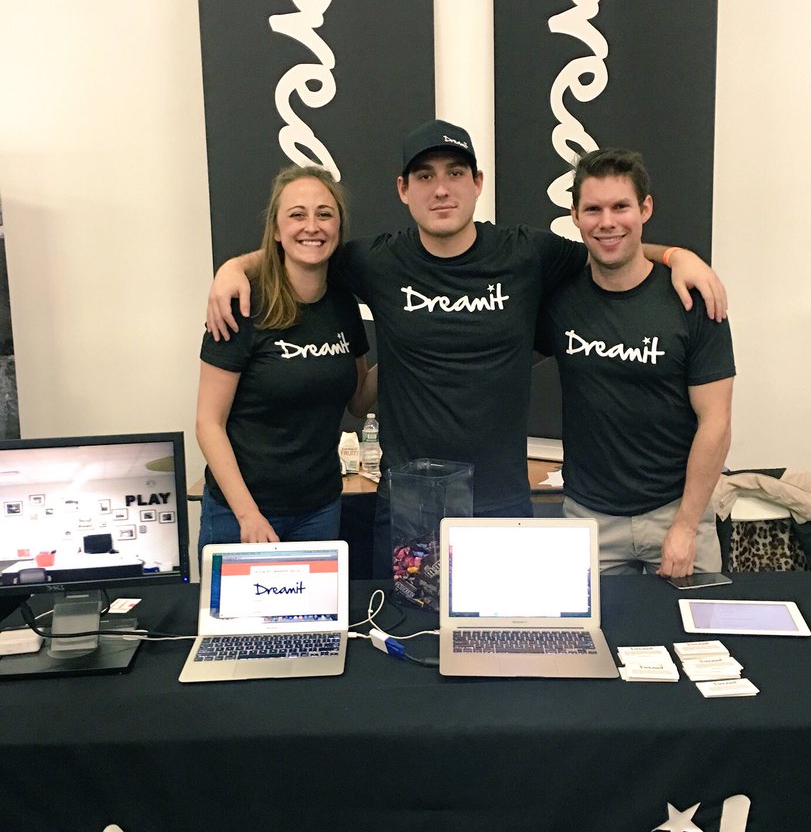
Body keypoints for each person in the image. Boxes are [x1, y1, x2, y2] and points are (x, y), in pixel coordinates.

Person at [206, 121, 727, 574]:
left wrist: (678, 256)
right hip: (411, 504)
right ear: (403, 189)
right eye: (424, 176)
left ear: (478, 183)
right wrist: (235, 267)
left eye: (455, 173)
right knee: (410, 637)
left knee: (498, 640)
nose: (441, 189)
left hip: (501, 503)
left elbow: (611, 245)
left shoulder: (526, 253)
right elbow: (304, 247)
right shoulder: (375, 262)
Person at [535, 147, 735, 577]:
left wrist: (685, 526)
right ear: (575, 216)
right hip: (587, 518)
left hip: (677, 513)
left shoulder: (692, 299)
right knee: (591, 624)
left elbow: (716, 422)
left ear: (645, 209)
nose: (607, 222)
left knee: (691, 624)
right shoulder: (558, 299)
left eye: (620, 207)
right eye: (593, 209)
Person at [196, 165, 373, 557]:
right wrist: (248, 515)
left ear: (338, 227)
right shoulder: (242, 305)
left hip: (320, 509)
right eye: (297, 214)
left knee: (316, 603)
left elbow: (360, 401)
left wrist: (403, 347)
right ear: (276, 230)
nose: (312, 226)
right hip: (241, 514)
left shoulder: (344, 305)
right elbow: (208, 423)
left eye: (324, 214)